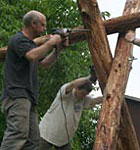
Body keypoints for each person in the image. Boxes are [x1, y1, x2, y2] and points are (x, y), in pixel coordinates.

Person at [0, 10, 68, 150]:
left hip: (29, 97)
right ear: (33, 24)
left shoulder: (30, 45)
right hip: (17, 95)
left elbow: (45, 63)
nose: (45, 29)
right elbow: (32, 56)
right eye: (42, 25)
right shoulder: (18, 40)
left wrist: (58, 48)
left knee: (32, 141)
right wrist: (51, 43)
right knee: (17, 134)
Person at [39, 75, 103, 150]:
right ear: (76, 88)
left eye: (85, 94)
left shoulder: (83, 100)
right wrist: (89, 78)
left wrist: (108, 94)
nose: (83, 96)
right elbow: (72, 84)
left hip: (64, 139)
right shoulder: (66, 93)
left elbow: (95, 101)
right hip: (46, 134)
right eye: (82, 93)